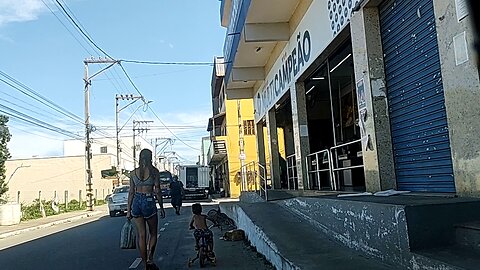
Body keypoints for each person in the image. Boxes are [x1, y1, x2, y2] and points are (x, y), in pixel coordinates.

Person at [127, 149, 165, 270]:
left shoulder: (133, 173)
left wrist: (128, 210)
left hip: (136, 202)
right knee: (153, 233)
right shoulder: (154, 172)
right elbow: (158, 191)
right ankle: (150, 258)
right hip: (149, 201)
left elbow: (131, 192)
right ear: (150, 158)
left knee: (142, 235)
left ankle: (145, 265)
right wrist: (162, 207)